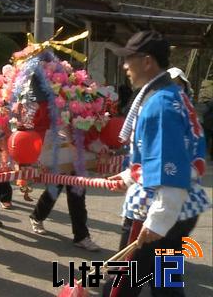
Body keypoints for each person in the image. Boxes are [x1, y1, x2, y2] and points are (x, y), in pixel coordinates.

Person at [103, 31, 210, 297]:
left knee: (121, 287)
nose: (125, 66)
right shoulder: (172, 94)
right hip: (179, 209)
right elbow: (155, 153)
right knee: (166, 283)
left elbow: (169, 165)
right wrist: (129, 176)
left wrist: (158, 220)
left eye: (129, 58)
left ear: (147, 61)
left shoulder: (159, 104)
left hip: (157, 209)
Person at [28, 75, 101, 252]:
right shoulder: (49, 103)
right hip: (60, 151)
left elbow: (82, 126)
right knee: (55, 188)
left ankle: (81, 236)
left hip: (75, 152)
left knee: (77, 193)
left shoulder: (78, 100)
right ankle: (37, 217)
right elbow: (55, 125)